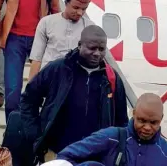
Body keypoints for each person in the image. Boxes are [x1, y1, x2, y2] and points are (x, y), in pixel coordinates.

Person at [19, 25, 128, 165]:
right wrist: (35, 135)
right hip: (57, 153)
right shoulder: (58, 69)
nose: (97, 53)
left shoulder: (111, 78)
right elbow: (28, 100)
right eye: (92, 48)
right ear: (80, 45)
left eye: (101, 49)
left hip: (95, 157)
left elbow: (122, 120)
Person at [57, 93, 167, 166]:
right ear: (134, 113)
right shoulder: (110, 137)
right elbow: (64, 158)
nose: (147, 127)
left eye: (153, 122)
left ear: (161, 119)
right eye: (142, 120)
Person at [29, 0, 94, 81]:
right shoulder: (46, 23)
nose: (80, 13)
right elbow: (37, 59)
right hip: (48, 81)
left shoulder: (90, 28)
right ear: (66, 2)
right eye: (76, 7)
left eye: (84, 9)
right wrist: (30, 91)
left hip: (74, 85)